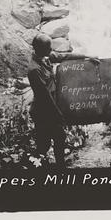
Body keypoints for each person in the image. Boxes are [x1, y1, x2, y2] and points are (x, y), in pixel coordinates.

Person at [27, 33, 99, 167]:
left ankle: (59, 166)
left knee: (59, 138)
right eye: (48, 48)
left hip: (50, 108)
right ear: (40, 49)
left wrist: (86, 57)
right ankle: (34, 166)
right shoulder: (34, 70)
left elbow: (64, 56)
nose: (51, 51)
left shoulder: (44, 57)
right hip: (43, 111)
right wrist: (59, 115)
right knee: (44, 144)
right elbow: (45, 97)